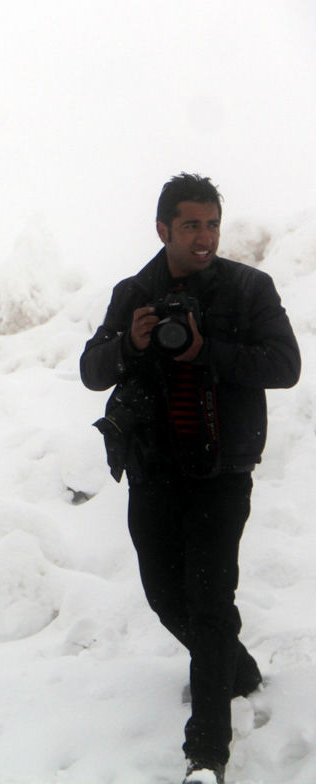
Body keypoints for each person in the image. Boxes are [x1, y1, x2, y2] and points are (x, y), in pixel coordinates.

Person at [79, 173, 301, 784]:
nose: (204, 238)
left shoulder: (250, 288)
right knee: (163, 596)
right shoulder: (133, 293)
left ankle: (206, 755)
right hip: (153, 469)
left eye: (211, 225)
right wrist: (129, 342)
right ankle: (238, 670)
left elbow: (285, 366)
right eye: (190, 226)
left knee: (208, 603)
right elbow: (92, 371)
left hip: (220, 471)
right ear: (163, 229)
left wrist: (207, 350)